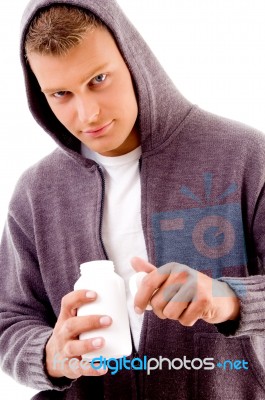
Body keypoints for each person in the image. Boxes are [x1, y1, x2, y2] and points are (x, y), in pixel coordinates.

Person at [0, 0, 265, 399]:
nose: (87, 113)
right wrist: (50, 354)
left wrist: (227, 299)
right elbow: (11, 319)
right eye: (61, 94)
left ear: (132, 58)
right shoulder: (35, 192)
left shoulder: (244, 156)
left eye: (99, 79)